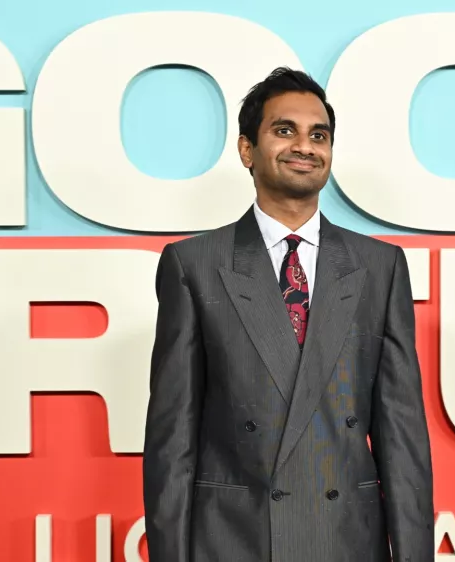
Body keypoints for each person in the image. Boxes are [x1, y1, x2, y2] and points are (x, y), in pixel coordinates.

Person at [142, 67, 434, 562]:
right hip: (235, 540)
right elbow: (172, 441)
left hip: (347, 540)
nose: (305, 146)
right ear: (246, 150)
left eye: (318, 135)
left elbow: (402, 439)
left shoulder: (379, 267)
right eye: (284, 131)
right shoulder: (194, 266)